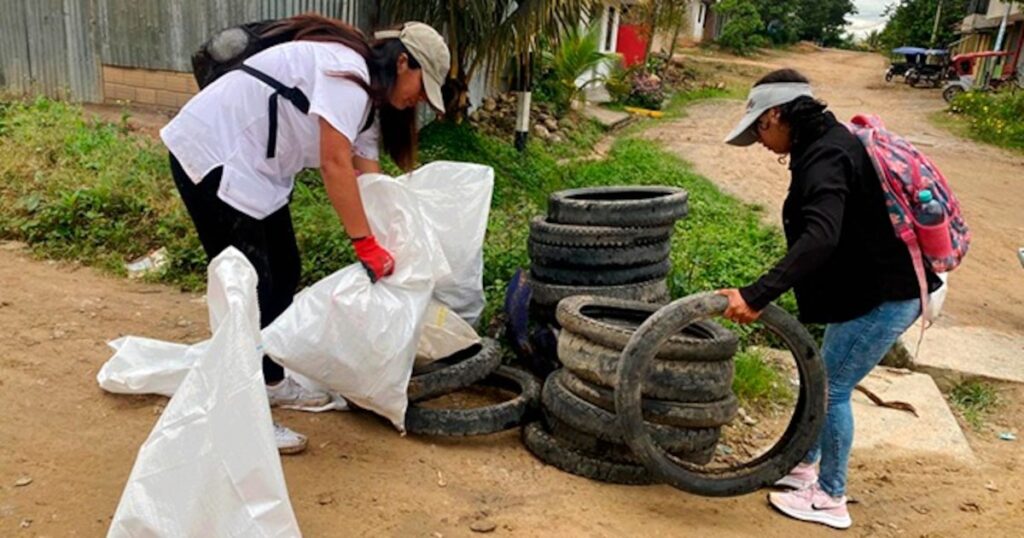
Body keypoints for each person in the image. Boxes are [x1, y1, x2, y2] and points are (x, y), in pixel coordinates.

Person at [160, 15, 451, 454]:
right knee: (247, 289)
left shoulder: (369, 104)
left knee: (285, 268)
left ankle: (271, 381)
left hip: (256, 170)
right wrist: (363, 244)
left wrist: (394, 237)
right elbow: (335, 164)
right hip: (212, 154)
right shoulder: (346, 76)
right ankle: (243, 414)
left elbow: (366, 179)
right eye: (421, 88)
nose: (417, 102)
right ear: (405, 63)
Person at [717, 69, 942, 530]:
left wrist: (757, 295)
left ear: (778, 114)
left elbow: (820, 237)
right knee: (823, 379)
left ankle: (830, 497)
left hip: (885, 297)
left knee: (832, 389)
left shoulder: (826, 156)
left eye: (760, 126)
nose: (759, 139)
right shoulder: (823, 145)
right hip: (864, 293)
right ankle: (805, 466)